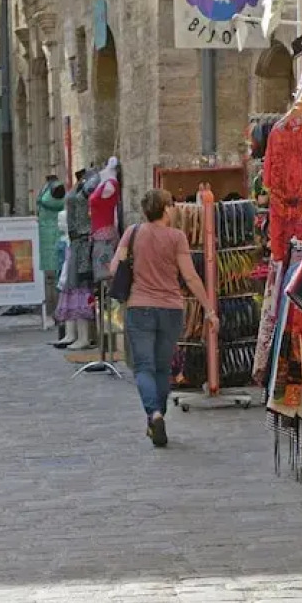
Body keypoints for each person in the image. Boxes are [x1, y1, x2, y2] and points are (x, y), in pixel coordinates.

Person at [110, 188, 216, 448]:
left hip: (139, 307)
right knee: (162, 368)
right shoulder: (177, 237)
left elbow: (114, 268)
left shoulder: (133, 233)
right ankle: (158, 416)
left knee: (143, 367)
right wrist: (208, 308)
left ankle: (154, 415)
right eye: (172, 205)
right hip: (170, 309)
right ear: (166, 209)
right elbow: (190, 276)